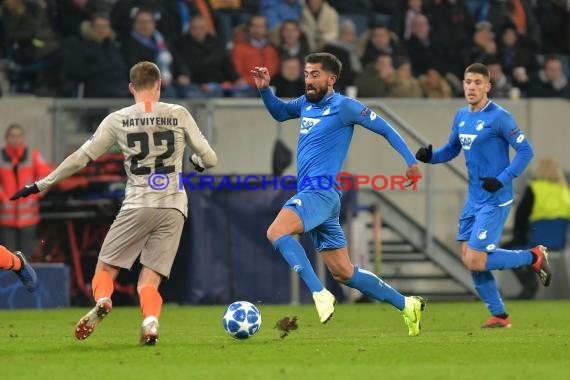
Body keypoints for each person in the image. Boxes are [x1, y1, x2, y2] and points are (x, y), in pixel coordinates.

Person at [10, 61, 218, 345]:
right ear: (159, 85)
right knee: (150, 279)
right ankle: (151, 322)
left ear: (131, 88)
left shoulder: (117, 119)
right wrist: (196, 162)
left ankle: (104, 299)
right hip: (174, 206)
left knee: (106, 269)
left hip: (137, 203)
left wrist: (41, 183)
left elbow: (81, 158)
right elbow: (210, 158)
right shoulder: (179, 113)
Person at [250, 52, 426, 336]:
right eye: (307, 74)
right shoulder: (306, 103)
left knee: (276, 231)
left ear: (331, 79)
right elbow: (280, 113)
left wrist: (410, 161)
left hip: (320, 192)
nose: (309, 80)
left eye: (315, 75)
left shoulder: (345, 107)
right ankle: (407, 305)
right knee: (344, 272)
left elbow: (386, 129)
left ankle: (320, 293)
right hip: (319, 198)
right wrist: (264, 90)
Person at [415, 62, 552, 328]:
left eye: (478, 82)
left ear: (488, 86)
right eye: (468, 82)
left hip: (496, 197)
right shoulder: (461, 116)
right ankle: (500, 315)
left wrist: (502, 179)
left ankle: (533, 256)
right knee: (470, 259)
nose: (472, 87)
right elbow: (452, 149)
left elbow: (526, 152)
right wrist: (431, 157)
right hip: (474, 197)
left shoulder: (500, 117)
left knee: (477, 259)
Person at [503, 157, 570, 299]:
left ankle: (529, 283)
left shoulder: (534, 188)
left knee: (507, 249)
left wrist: (518, 236)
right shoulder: (565, 192)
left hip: (535, 241)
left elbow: (520, 216)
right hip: (559, 243)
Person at [0, 124, 52, 259]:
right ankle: (10, 280)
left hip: (29, 218)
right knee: (8, 258)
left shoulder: (32, 155)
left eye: (18, 136)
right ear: (6, 138)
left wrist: (34, 195)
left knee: (26, 258)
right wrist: (3, 197)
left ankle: (24, 280)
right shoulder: (1, 157)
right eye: (12, 136)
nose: (15, 139)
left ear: (23, 138)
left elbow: (47, 177)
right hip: (6, 218)